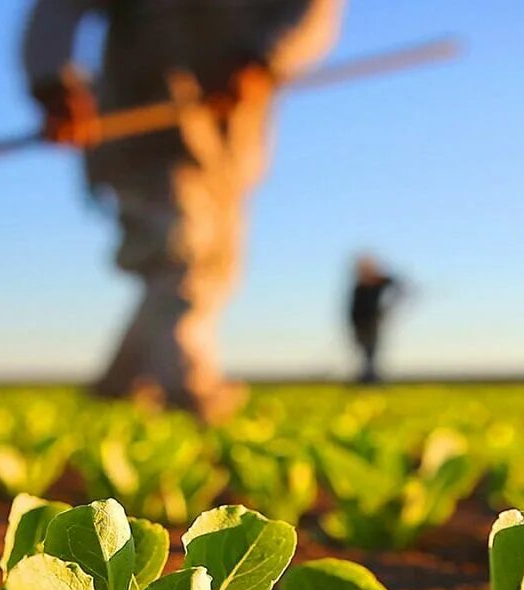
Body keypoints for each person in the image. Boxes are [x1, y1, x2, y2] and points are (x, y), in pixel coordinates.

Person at [22, 0, 344, 420]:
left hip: (228, 131)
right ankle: (188, 387)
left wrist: (264, 59)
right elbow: (58, 10)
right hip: (143, 119)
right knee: (178, 251)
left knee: (216, 265)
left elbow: (309, 12)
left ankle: (118, 384)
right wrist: (52, 81)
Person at [348, 254, 402, 384]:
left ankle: (371, 378)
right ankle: (367, 376)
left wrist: (388, 307)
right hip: (359, 324)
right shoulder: (359, 287)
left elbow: (398, 287)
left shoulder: (379, 281)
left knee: (371, 352)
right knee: (364, 352)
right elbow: (353, 309)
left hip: (373, 323)